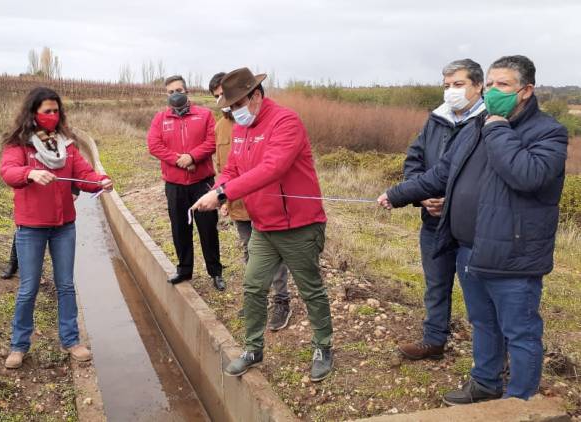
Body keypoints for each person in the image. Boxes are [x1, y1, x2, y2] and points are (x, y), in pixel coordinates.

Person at [378, 55, 567, 404]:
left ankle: (519, 403)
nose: (494, 90)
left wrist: (496, 127)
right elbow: (441, 173)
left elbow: (526, 175)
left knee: (520, 332)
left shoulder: (548, 132)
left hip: (513, 255)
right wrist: (398, 194)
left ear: (526, 91)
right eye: (492, 83)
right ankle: (484, 382)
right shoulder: (473, 129)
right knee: (482, 322)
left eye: (503, 84)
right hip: (469, 247)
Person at [192, 68, 333, 382]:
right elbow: (231, 168)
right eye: (229, 107)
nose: (232, 112)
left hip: (299, 225)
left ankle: (323, 346)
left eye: (237, 104)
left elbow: (273, 168)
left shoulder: (286, 122)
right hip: (263, 226)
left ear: (255, 95)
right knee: (254, 286)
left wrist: (226, 193)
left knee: (311, 290)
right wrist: (218, 189)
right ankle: (253, 348)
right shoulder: (241, 128)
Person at [0, 87, 113, 369]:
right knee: (28, 287)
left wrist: (100, 181)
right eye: (47, 111)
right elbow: (8, 172)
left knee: (65, 285)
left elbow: (83, 175)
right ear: (33, 113)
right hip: (31, 227)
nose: (53, 116)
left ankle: (71, 340)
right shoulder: (19, 145)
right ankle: (18, 345)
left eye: (56, 111)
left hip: (64, 226)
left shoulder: (67, 145)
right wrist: (30, 173)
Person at [398, 59, 486, 360]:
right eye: (447, 85)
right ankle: (434, 340)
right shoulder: (436, 120)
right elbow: (414, 162)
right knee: (436, 284)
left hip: (472, 226)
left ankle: (489, 357)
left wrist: (456, 200)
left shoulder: (491, 122)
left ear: (478, 86)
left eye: (458, 85)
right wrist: (421, 196)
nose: (451, 91)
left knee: (480, 295)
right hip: (434, 221)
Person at [209, 72, 292, 331]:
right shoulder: (222, 127)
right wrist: (221, 195)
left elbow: (269, 168)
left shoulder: (270, 122)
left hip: (264, 202)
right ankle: (256, 299)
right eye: (221, 99)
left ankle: (281, 301)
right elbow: (225, 166)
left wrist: (224, 192)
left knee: (274, 254)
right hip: (237, 203)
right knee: (250, 252)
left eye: (229, 98)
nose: (227, 104)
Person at [147, 75, 225, 291]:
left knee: (208, 228)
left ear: (187, 91)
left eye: (179, 90)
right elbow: (154, 145)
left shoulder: (205, 115)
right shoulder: (160, 119)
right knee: (180, 228)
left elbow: (212, 142)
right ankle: (184, 269)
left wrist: (192, 157)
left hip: (202, 183)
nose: (176, 94)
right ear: (167, 95)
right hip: (175, 185)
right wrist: (179, 161)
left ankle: (215, 272)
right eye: (171, 92)